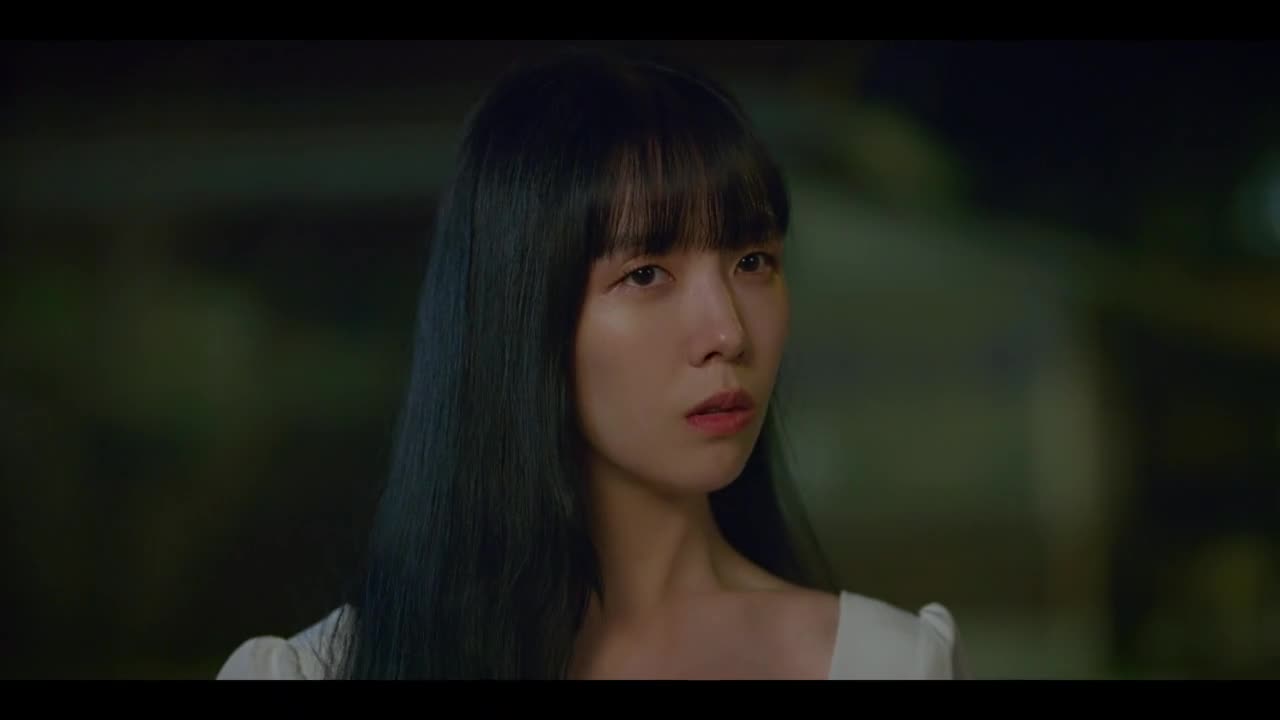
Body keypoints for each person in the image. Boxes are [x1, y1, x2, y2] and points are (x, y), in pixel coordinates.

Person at [216, 48, 969, 680]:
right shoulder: (322, 671)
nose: (727, 332)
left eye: (752, 261)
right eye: (646, 273)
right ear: (520, 314)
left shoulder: (881, 664)